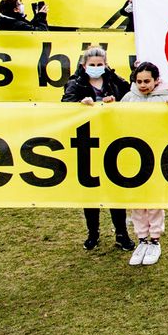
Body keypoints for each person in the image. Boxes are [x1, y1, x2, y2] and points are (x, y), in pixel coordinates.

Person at [63, 46, 135, 251]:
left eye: (99, 64)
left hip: (112, 140)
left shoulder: (114, 81)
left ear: (105, 64)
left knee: (115, 188)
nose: (96, 68)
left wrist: (115, 102)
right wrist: (79, 103)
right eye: (92, 65)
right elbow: (64, 105)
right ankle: (93, 233)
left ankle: (121, 233)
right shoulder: (75, 84)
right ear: (84, 66)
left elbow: (131, 95)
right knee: (90, 191)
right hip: (87, 141)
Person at [121, 62, 168, 266]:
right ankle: (142, 240)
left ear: (156, 80)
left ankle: (155, 240)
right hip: (133, 153)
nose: (143, 85)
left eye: (147, 81)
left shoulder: (167, 98)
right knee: (136, 198)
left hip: (156, 152)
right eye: (139, 81)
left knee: (154, 198)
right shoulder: (128, 98)